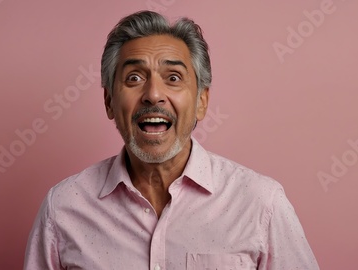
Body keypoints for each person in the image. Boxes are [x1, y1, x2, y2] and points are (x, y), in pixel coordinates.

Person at [24, 10, 319, 270]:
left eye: (174, 77)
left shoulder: (260, 204)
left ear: (202, 101)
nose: (153, 94)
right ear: (109, 101)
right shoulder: (62, 209)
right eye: (134, 78)